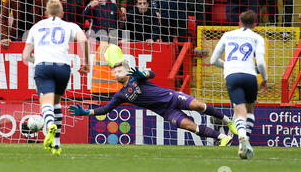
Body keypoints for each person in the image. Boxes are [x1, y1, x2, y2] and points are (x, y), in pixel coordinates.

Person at [70, 61, 238, 146]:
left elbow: (152, 73)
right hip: (166, 112)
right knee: (189, 126)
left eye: (119, 70)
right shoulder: (121, 94)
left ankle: (227, 121)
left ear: (127, 71)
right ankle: (223, 138)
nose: (116, 73)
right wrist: (87, 112)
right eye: (114, 71)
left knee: (199, 106)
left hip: (172, 97)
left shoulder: (137, 77)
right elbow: (105, 108)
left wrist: (142, 73)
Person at [22, 0, 90, 155]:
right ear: (62, 13)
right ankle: (57, 144)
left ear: (46, 12)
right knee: (56, 102)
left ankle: (50, 124)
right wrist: (86, 63)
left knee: (46, 101)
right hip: (63, 68)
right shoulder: (70, 26)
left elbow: (25, 55)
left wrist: (36, 60)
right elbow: (84, 40)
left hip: (43, 66)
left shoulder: (36, 27)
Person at [210, 10, 268, 159]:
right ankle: (245, 142)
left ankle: (242, 139)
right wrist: (265, 79)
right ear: (255, 24)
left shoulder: (227, 35)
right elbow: (260, 63)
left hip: (232, 76)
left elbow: (213, 60)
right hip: (250, 75)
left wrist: (229, 67)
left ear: (239, 22)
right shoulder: (257, 38)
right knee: (249, 111)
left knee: (239, 112)